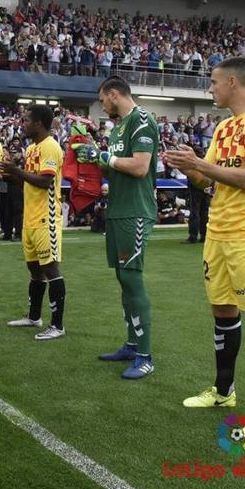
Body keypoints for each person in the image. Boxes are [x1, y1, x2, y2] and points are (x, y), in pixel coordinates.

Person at [165, 57, 245, 439]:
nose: (210, 88)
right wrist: (190, 169)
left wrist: (200, 163)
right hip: (217, 232)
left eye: (214, 82)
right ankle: (223, 392)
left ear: (233, 82)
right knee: (222, 310)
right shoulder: (223, 127)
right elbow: (211, 183)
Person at [71, 75, 159, 380]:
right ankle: (132, 345)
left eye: (102, 99)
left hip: (135, 212)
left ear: (113, 94)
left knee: (132, 279)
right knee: (124, 278)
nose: (101, 104)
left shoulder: (142, 119)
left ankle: (145, 356)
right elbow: (115, 163)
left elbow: (140, 166)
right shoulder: (119, 126)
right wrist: (93, 155)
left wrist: (104, 156)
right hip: (118, 210)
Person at [0, 104, 66, 340]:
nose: (22, 124)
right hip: (31, 217)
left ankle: (57, 325)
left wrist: (16, 170)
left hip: (47, 218)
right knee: (34, 269)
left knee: (50, 268)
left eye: (26, 120)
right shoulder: (33, 148)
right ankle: (34, 317)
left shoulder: (51, 147)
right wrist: (10, 174)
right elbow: (29, 183)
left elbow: (45, 182)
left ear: (38, 123)